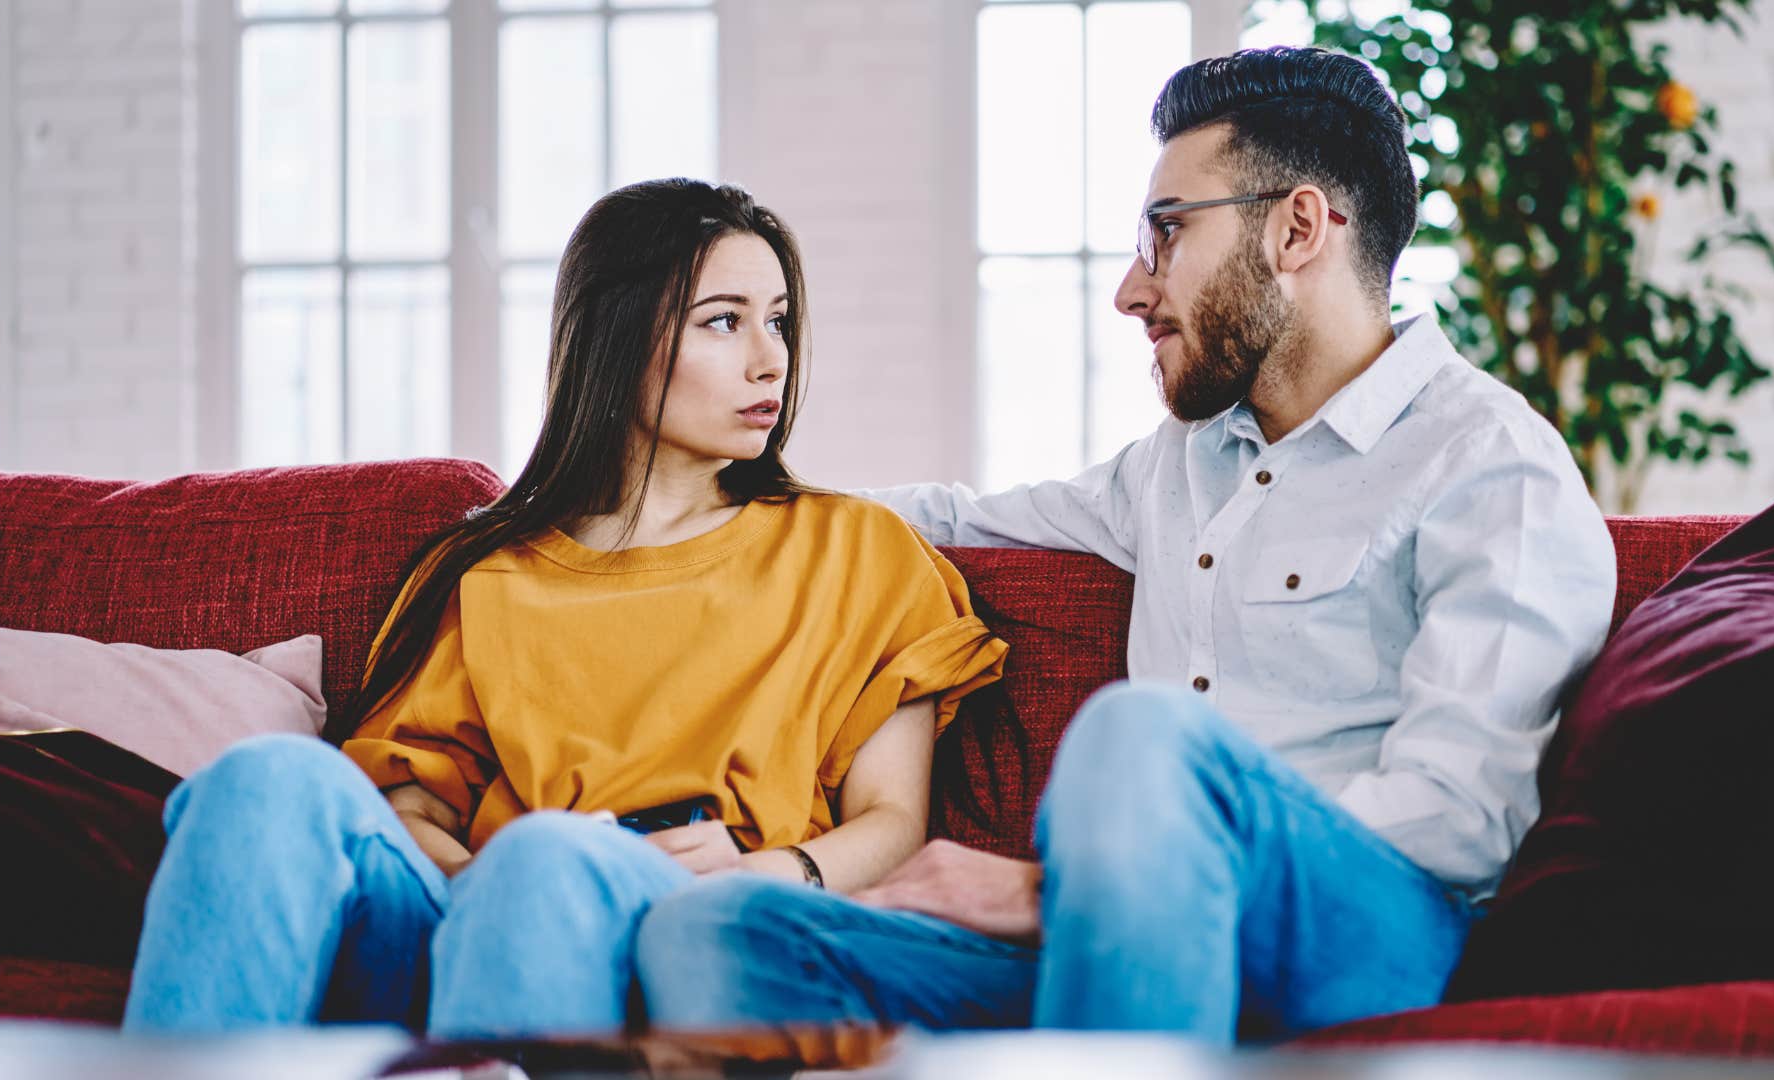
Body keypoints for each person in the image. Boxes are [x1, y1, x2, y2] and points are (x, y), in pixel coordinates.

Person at [632, 46, 1618, 1042]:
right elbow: (953, 518)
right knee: (717, 930)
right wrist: (677, 505)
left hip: (1372, 938)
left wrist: (1063, 886)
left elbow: (1459, 822)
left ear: (1298, 228)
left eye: (1166, 233)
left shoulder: (1489, 463)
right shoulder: (1182, 464)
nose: (1133, 293)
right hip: (1118, 933)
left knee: (1140, 736)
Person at [122, 179, 1007, 1037]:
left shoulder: (857, 550)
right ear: (617, 340)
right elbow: (414, 807)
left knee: (549, 856)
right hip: (465, 919)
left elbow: (895, 821)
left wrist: (771, 872)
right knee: (262, 777)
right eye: (724, 321)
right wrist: (481, 888)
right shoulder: (495, 573)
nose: (770, 358)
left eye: (777, 320)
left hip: (672, 921)